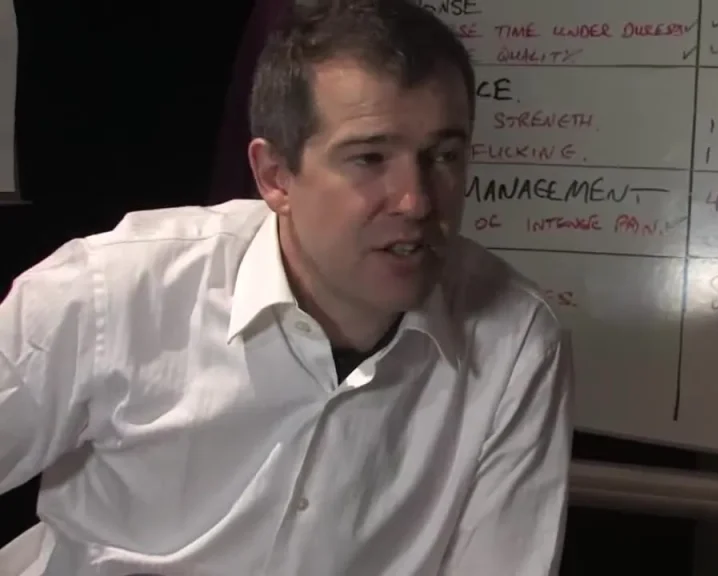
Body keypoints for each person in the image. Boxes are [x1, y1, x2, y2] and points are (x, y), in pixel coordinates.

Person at [0, 0, 575, 573]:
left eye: (444, 156)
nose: (416, 201)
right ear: (275, 177)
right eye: (370, 158)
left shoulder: (515, 340)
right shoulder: (111, 291)